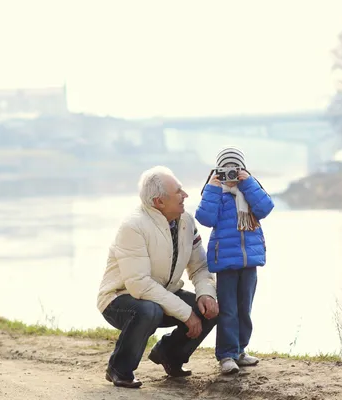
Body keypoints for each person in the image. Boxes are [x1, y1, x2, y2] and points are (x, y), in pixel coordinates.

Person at [96, 166, 219, 388]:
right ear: (159, 202)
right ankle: (119, 368)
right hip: (120, 298)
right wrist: (186, 314)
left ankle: (170, 355)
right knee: (148, 309)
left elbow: (200, 266)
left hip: (162, 293)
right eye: (178, 191)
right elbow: (139, 286)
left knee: (208, 310)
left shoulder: (186, 221)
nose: (185, 195)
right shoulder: (133, 226)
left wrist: (206, 294)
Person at [195, 147, 274, 375]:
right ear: (218, 171)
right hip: (226, 262)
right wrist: (212, 187)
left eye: (235, 169)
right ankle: (227, 355)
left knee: (244, 309)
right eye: (226, 169)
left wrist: (248, 183)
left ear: (242, 169)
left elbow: (266, 208)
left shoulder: (249, 190)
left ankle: (240, 350)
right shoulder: (217, 193)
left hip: (250, 261)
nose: (230, 174)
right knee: (228, 310)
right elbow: (205, 218)